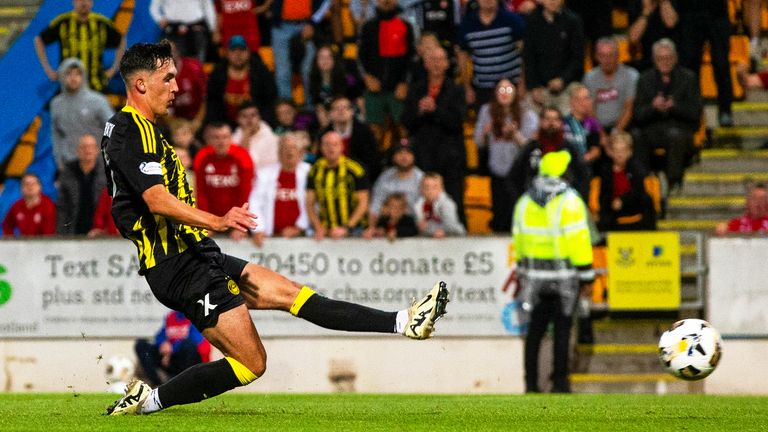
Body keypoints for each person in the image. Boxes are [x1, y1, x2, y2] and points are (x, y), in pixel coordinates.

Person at [103, 41, 449, 416]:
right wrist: (217, 220)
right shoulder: (130, 131)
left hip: (196, 254)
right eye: (167, 78)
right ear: (140, 84)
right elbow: (155, 200)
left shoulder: (137, 129)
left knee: (296, 296)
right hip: (178, 267)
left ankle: (405, 321)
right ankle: (150, 402)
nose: (175, 88)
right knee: (252, 363)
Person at [512, 150, 594, 393]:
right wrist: (587, 274)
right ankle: (560, 384)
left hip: (534, 277)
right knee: (562, 330)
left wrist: (523, 272)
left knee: (534, 332)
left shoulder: (525, 200)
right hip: (564, 276)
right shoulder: (570, 200)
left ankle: (531, 385)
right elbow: (579, 239)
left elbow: (518, 239)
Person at [401, 46, 466, 222]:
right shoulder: (415, 90)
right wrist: (420, 111)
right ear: (426, 63)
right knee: (424, 205)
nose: (437, 64)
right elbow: (406, 121)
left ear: (447, 63)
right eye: (433, 60)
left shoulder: (456, 90)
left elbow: (457, 121)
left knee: (454, 201)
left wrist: (435, 110)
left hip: (450, 157)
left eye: (441, 60)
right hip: (424, 155)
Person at [632, 38, 702, 192]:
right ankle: (645, 182)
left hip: (680, 128)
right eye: (660, 58)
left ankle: (673, 181)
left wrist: (674, 106)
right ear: (654, 60)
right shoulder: (644, 79)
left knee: (675, 135)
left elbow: (695, 112)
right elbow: (637, 114)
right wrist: (653, 107)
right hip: (653, 128)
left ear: (675, 58)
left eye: (668, 58)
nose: (665, 62)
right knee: (636, 135)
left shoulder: (688, 78)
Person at [474, 78, 537, 233]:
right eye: (501, 90)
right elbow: (478, 142)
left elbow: (531, 147)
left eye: (508, 90)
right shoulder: (486, 111)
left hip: (519, 174)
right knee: (499, 214)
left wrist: (515, 134)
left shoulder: (527, 113)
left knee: (518, 214)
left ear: (515, 93)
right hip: (497, 173)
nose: (505, 94)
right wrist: (485, 133)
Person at [34, 0, 126, 92]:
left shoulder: (101, 23)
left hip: (96, 85)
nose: (84, 3)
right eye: (80, 0)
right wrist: (48, 70)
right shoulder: (63, 22)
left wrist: (114, 68)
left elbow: (121, 40)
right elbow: (39, 40)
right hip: (68, 88)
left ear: (92, 2)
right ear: (73, 2)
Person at [358, 0, 415, 147]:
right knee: (373, 133)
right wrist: (367, 77)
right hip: (374, 88)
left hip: (398, 88)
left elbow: (412, 58)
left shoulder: (406, 26)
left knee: (404, 129)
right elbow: (360, 57)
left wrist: (405, 83)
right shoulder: (368, 27)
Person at [508, 106, 590, 207]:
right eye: (547, 119)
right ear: (541, 122)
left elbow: (583, 176)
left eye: (555, 119)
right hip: (534, 206)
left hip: (564, 207)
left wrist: (577, 202)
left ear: (561, 123)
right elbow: (514, 177)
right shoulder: (531, 148)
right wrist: (521, 201)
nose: (551, 123)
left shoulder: (569, 149)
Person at [193, 122, 255, 241]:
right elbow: (201, 193)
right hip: (211, 219)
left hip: (236, 220)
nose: (221, 141)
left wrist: (240, 225)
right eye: (216, 137)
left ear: (231, 138)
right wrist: (207, 223)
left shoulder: (242, 157)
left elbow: (245, 194)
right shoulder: (202, 157)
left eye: (225, 137)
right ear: (209, 139)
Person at [248, 133, 311, 247]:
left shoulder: (309, 172)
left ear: (300, 152)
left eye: (293, 148)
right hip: (270, 238)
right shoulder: (264, 174)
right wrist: (258, 229)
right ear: (278, 152)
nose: (289, 152)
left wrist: (299, 227)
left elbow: (313, 204)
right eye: (285, 148)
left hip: (303, 237)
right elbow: (255, 203)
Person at [50, 58, 114, 170]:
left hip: (98, 163)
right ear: (61, 76)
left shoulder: (98, 101)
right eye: (69, 74)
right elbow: (56, 135)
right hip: (69, 163)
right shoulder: (56, 104)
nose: (73, 78)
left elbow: (113, 129)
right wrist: (59, 161)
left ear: (83, 76)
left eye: (77, 74)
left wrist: (109, 157)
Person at [676, 0, 733, 126]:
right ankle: (694, 112)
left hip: (717, 13)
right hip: (689, 12)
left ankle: (725, 109)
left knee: (721, 63)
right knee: (690, 66)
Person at [457, 0, 524, 107]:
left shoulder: (512, 20)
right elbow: (462, 56)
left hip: (511, 84)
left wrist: (522, 83)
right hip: (483, 88)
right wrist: (467, 88)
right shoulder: (467, 25)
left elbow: (524, 53)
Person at [522, 0, 585, 113]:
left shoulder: (573, 21)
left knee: (571, 110)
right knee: (529, 112)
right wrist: (534, 86)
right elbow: (529, 57)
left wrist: (563, 80)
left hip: (567, 86)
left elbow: (578, 59)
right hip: (541, 87)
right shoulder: (532, 21)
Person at [306, 130, 370, 240]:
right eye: (327, 144)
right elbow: (309, 204)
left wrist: (346, 228)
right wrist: (318, 227)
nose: (331, 148)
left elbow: (363, 203)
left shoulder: (355, 169)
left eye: (335, 144)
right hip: (327, 230)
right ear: (321, 148)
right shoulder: (315, 170)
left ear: (341, 147)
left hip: (355, 230)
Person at [589, 132, 656, 232]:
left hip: (634, 207)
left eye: (623, 150)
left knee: (647, 199)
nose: (620, 154)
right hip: (612, 210)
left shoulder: (637, 168)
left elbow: (638, 190)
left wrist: (622, 200)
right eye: (616, 150)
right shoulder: (605, 170)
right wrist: (612, 202)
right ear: (611, 152)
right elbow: (603, 194)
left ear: (629, 152)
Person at [206, 35, 277, 127]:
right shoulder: (217, 74)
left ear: (248, 52)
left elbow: (269, 104)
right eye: (233, 50)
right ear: (227, 53)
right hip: (225, 125)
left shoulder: (262, 74)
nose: (238, 54)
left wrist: (259, 125)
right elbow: (212, 105)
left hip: (257, 125)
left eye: (242, 50)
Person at [134, 311, 212, 388]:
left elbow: (196, 340)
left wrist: (172, 348)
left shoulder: (196, 315)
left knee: (187, 346)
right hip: (169, 359)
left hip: (188, 361)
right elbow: (160, 335)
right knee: (141, 344)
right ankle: (157, 383)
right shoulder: (171, 316)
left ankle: (182, 383)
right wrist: (163, 344)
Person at [366, 139, 424, 236]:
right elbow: (375, 206)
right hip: (389, 225)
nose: (404, 156)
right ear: (393, 157)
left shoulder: (421, 178)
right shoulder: (385, 178)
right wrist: (371, 228)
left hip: (415, 225)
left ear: (414, 157)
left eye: (408, 153)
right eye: (400, 153)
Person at [583, 37, 639, 134]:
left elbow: (629, 108)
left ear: (618, 55)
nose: (607, 60)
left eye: (610, 55)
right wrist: (601, 135)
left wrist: (616, 132)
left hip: (623, 126)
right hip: (597, 128)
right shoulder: (589, 78)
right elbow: (590, 111)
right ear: (596, 57)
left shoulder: (631, 75)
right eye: (603, 56)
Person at [323, 96, 382, 182]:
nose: (341, 111)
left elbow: (373, 160)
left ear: (351, 111)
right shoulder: (325, 134)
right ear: (331, 113)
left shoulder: (365, 132)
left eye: (345, 108)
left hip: (361, 179)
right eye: (337, 108)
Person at [57, 134, 106, 235]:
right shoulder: (68, 173)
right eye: (84, 147)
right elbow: (62, 207)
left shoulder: (106, 173)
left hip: (97, 231)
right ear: (78, 151)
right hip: (73, 229)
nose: (88, 150)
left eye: (91, 147)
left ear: (97, 150)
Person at [150, 0, 217, 63]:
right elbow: (154, 7)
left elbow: (208, 6)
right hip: (172, 29)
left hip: (195, 29)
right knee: (169, 62)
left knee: (196, 64)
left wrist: (212, 29)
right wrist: (159, 19)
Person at [562, 84, 603, 177]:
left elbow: (595, 150)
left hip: (583, 168)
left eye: (587, 98)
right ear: (572, 101)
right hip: (563, 167)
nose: (584, 102)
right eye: (579, 99)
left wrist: (580, 161)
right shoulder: (562, 122)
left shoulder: (592, 124)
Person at [627, 0, 679, 72]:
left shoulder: (669, 2)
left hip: (670, 58)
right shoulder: (636, 4)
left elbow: (670, 23)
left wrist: (663, 2)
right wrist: (646, 11)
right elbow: (633, 38)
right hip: (646, 60)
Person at [167, 42, 208, 132]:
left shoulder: (194, 68)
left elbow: (205, 98)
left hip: (198, 118)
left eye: (171, 52)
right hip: (175, 123)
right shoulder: (156, 76)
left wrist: (197, 122)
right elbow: (163, 109)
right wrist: (177, 127)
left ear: (177, 52)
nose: (169, 56)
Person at [2, 172, 56, 237]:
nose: (30, 187)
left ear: (40, 187)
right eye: (26, 184)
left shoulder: (48, 205)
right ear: (21, 188)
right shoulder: (17, 205)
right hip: (24, 243)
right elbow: (7, 224)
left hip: (43, 243)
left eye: (33, 184)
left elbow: (49, 233)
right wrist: (11, 240)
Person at [414, 172, 466, 238]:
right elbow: (420, 228)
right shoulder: (418, 206)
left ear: (441, 189)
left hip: (454, 239)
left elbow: (451, 227)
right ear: (421, 189)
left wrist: (429, 228)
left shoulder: (447, 204)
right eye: (426, 187)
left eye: (434, 187)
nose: (430, 191)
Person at [232, 102, 279, 171]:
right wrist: (246, 135)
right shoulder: (232, 139)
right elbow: (240, 163)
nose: (249, 119)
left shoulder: (271, 138)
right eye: (244, 116)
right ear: (238, 119)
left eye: (253, 115)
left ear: (259, 118)